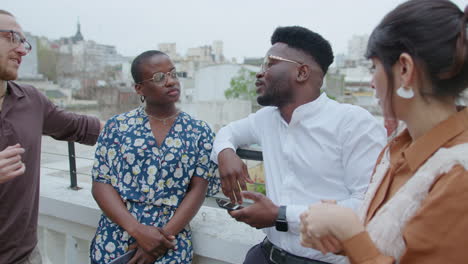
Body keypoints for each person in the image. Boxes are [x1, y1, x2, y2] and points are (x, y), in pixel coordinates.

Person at [300, 1, 468, 263]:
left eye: (374, 68)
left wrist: (349, 230)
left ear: (404, 69)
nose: (371, 81)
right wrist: (339, 235)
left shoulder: (459, 175)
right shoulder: (398, 147)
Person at [211, 26, 386, 264]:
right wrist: (225, 153)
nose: (260, 73)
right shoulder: (267, 118)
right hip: (265, 255)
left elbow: (367, 206)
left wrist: (281, 216)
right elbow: (227, 132)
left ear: (302, 72)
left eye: (269, 64)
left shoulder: (354, 123)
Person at [90, 50, 220, 264]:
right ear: (139, 88)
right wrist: (138, 231)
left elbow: (198, 189)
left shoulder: (199, 131)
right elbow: (101, 184)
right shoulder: (118, 126)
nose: (171, 82)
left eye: (173, 74)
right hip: (117, 238)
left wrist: (159, 241)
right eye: (160, 78)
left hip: (169, 243)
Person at [0, 10, 103, 264]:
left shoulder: (31, 100)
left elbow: (79, 126)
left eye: (24, 42)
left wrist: (143, 131)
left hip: (24, 257)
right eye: (12, 37)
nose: (23, 50)